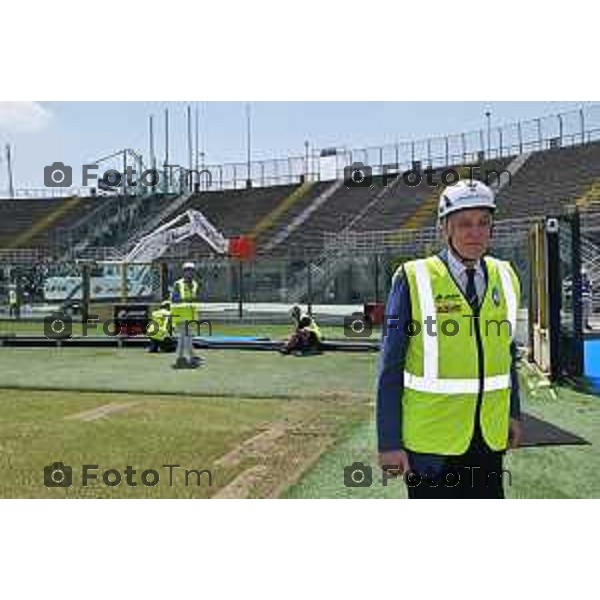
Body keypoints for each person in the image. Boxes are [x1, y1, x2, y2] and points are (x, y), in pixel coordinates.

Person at [376, 179, 522, 499]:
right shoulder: (413, 278)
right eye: (464, 223)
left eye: (484, 223)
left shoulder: (506, 276)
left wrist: (513, 412)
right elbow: (390, 367)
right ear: (445, 228)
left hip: (489, 437)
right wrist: (388, 443)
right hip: (431, 444)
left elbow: (506, 353)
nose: (475, 232)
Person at [170, 261, 203, 369]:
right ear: (184, 272)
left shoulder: (194, 284)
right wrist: (185, 299)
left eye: (191, 271)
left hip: (190, 315)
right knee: (186, 337)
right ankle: (190, 357)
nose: (190, 273)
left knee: (185, 338)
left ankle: (182, 358)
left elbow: (195, 299)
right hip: (180, 315)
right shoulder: (178, 284)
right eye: (187, 271)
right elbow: (174, 299)